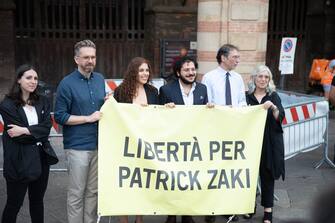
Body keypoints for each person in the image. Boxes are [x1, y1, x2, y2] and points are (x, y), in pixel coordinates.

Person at [54, 39, 106, 223]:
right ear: (76, 59)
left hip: (99, 145)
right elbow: (60, 116)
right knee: (77, 194)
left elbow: (102, 109)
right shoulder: (66, 84)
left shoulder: (100, 79)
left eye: (93, 57)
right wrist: (87, 118)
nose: (90, 61)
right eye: (86, 57)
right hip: (77, 147)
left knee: (93, 192)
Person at [0, 64, 53, 223]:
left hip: (41, 158)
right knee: (14, 204)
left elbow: (47, 128)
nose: (33, 81)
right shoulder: (7, 104)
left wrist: (25, 130)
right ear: (18, 80)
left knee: (37, 202)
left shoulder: (42, 101)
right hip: (18, 160)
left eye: (35, 78)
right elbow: (16, 136)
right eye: (28, 77)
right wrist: (36, 132)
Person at [159, 56, 208, 223]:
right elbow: (157, 117)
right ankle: (171, 214)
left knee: (190, 179)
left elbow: (206, 117)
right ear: (178, 72)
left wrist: (210, 109)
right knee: (173, 179)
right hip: (173, 143)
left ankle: (187, 213)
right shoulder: (166, 91)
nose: (191, 72)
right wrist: (164, 109)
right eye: (187, 70)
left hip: (194, 144)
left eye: (193, 69)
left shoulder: (203, 89)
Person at [202, 44, 246, 223]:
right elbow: (207, 103)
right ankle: (209, 209)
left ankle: (227, 208)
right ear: (223, 58)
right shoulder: (209, 77)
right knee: (212, 169)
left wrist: (238, 110)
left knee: (229, 170)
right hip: (216, 130)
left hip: (234, 130)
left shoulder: (238, 78)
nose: (238, 60)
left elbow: (242, 100)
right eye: (235, 57)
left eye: (238, 57)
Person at [113, 57, 159, 223]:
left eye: (147, 70)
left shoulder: (153, 92)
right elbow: (114, 116)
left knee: (142, 183)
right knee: (124, 184)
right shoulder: (120, 92)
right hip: (125, 146)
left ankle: (139, 219)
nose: (145, 73)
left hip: (145, 145)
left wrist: (167, 108)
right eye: (141, 70)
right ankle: (123, 219)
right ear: (133, 72)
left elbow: (159, 115)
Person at [246, 65, 285, 223]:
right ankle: (249, 207)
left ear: (269, 80)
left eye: (266, 77)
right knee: (249, 176)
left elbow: (280, 116)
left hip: (269, 142)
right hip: (250, 142)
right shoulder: (247, 97)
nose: (263, 80)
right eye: (260, 76)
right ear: (254, 78)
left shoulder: (273, 96)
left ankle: (268, 212)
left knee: (267, 175)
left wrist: (273, 107)